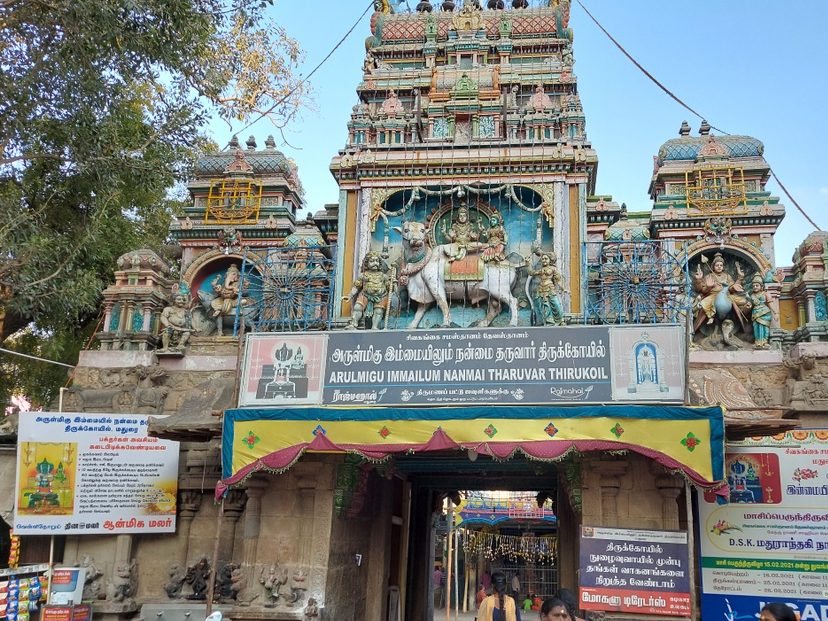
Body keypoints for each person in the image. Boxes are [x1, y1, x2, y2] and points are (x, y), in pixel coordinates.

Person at [692, 252, 750, 330]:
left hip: (727, 296)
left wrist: (739, 279)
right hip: (713, 296)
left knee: (744, 301)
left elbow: (731, 288)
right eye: (717, 265)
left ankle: (744, 320)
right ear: (713, 267)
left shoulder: (727, 276)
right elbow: (702, 290)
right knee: (703, 303)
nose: (719, 267)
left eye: (721, 265)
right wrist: (708, 286)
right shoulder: (709, 276)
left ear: (723, 267)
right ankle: (711, 316)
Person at [348, 251, 391, 329]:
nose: (375, 263)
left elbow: (390, 288)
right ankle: (354, 323)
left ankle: (374, 326)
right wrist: (350, 295)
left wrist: (393, 284)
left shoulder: (384, 276)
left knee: (378, 311)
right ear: (366, 263)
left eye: (377, 261)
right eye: (372, 261)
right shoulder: (363, 275)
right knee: (357, 307)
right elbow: (356, 287)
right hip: (365, 295)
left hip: (381, 296)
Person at [530, 252, 566, 325]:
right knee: (544, 306)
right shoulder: (541, 270)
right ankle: (548, 321)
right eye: (542, 259)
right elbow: (531, 273)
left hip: (550, 288)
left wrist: (563, 288)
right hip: (541, 289)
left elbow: (558, 280)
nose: (544, 260)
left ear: (550, 260)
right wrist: (527, 263)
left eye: (546, 259)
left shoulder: (553, 269)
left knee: (556, 304)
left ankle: (560, 320)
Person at [159, 285, 193, 352]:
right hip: (171, 328)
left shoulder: (185, 311)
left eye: (183, 300)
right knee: (167, 332)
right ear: (174, 300)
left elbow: (190, 321)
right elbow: (163, 317)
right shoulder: (168, 309)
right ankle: (165, 347)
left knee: (187, 333)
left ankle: (180, 345)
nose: (181, 301)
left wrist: (195, 328)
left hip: (182, 330)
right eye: (179, 299)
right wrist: (168, 325)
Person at [749, 273, 773, 348]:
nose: (755, 287)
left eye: (757, 285)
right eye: (753, 286)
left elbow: (770, 304)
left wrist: (775, 313)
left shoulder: (765, 294)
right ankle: (757, 342)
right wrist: (748, 305)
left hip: (765, 312)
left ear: (761, 287)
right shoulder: (752, 296)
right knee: (756, 327)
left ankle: (765, 341)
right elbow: (750, 304)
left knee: (764, 326)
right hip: (755, 313)